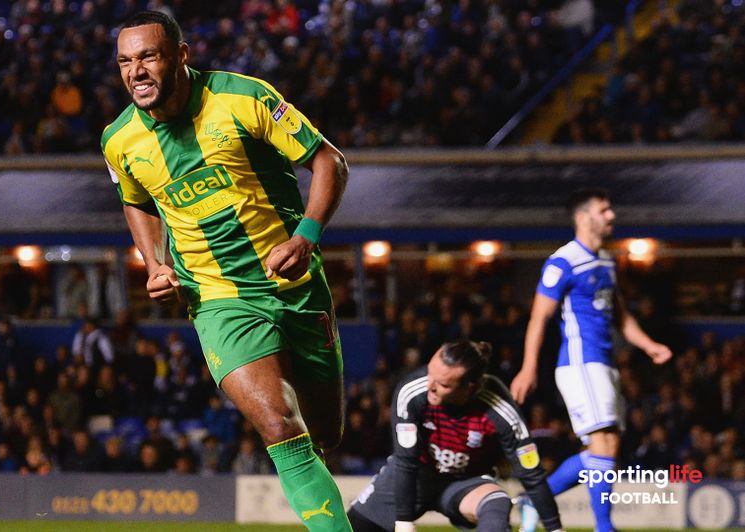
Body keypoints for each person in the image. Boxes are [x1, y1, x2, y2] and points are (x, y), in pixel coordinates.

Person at [101, 11, 351, 531]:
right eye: (126, 61)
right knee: (278, 424)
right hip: (216, 299)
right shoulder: (119, 139)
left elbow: (329, 161)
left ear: (181, 55)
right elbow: (137, 200)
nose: (136, 72)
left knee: (326, 433)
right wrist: (154, 263)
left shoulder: (244, 98)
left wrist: (306, 236)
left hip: (295, 286)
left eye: (148, 56)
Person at [510, 188, 673, 532]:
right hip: (581, 362)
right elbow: (538, 318)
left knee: (606, 449)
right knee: (602, 444)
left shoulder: (606, 260)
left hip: (605, 363)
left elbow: (621, 317)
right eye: (604, 209)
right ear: (584, 218)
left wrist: (648, 345)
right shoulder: (563, 262)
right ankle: (603, 527)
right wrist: (528, 367)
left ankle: (533, 500)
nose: (612, 215)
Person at [348, 340, 563, 532]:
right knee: (350, 528)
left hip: (466, 482)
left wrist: (555, 529)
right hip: (416, 476)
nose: (429, 385)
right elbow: (406, 461)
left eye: (442, 384)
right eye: (429, 373)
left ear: (471, 387)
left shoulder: (499, 409)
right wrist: (403, 522)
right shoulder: (413, 392)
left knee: (497, 502)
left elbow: (531, 474)